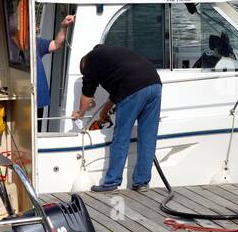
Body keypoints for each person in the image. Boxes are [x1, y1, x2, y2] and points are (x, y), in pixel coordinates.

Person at [72, 44, 162, 192]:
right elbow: (117, 90)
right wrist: (104, 111)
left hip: (133, 88)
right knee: (148, 137)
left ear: (84, 67)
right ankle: (142, 182)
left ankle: (111, 183)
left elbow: (88, 94)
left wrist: (80, 114)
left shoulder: (90, 63)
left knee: (121, 137)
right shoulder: (108, 55)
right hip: (154, 83)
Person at [36, 13, 76, 123]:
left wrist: (63, 27)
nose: (37, 28)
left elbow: (57, 44)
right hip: (24, 99)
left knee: (36, 134)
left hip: (38, 100)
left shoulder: (36, 42)